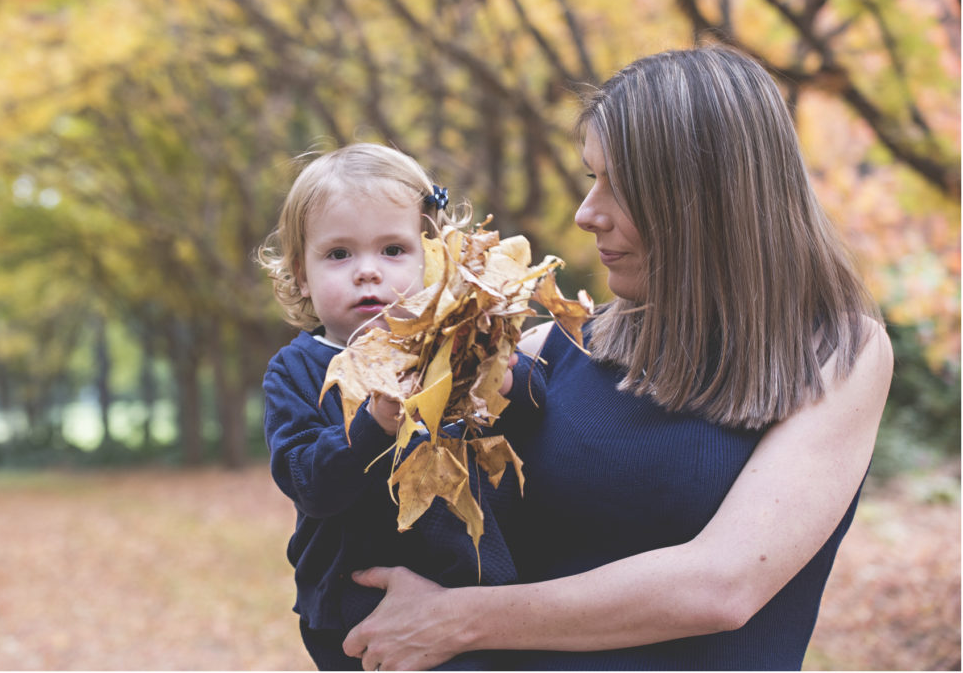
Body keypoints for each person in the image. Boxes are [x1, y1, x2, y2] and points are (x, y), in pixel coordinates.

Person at [342, 46, 894, 670]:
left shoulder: (836, 352)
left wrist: (457, 621)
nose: (586, 214)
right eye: (590, 178)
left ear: (711, 199)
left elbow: (722, 585)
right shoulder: (544, 352)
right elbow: (396, 509)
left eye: (620, 186)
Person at [256, 143, 542, 670]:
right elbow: (306, 481)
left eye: (393, 250)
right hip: (357, 604)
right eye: (338, 254)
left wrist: (511, 383)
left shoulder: (460, 344)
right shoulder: (295, 371)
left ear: (434, 255)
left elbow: (532, 423)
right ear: (301, 274)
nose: (368, 272)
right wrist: (371, 425)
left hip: (479, 583)